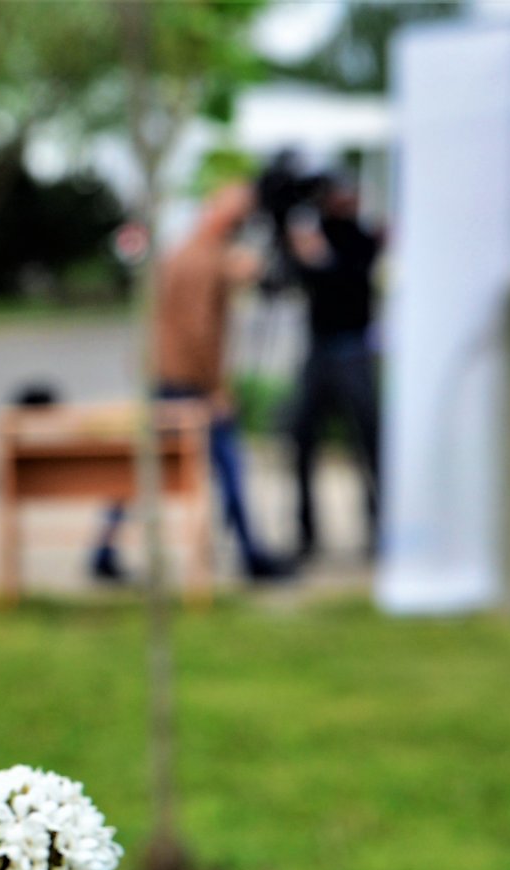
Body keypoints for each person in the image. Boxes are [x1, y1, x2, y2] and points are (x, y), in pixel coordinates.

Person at [92, 182, 291, 583]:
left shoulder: (180, 251)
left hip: (165, 373)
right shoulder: (207, 261)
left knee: (144, 465)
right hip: (189, 382)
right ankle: (251, 555)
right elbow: (199, 329)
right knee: (228, 464)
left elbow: (158, 314)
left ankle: (103, 550)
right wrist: (214, 387)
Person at [279, 174, 381, 562]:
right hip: (319, 350)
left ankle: (377, 527)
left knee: (368, 442)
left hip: (352, 349)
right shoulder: (312, 234)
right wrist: (300, 253)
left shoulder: (362, 238)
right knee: (302, 439)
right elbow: (292, 278)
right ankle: (306, 532)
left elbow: (350, 282)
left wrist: (319, 259)